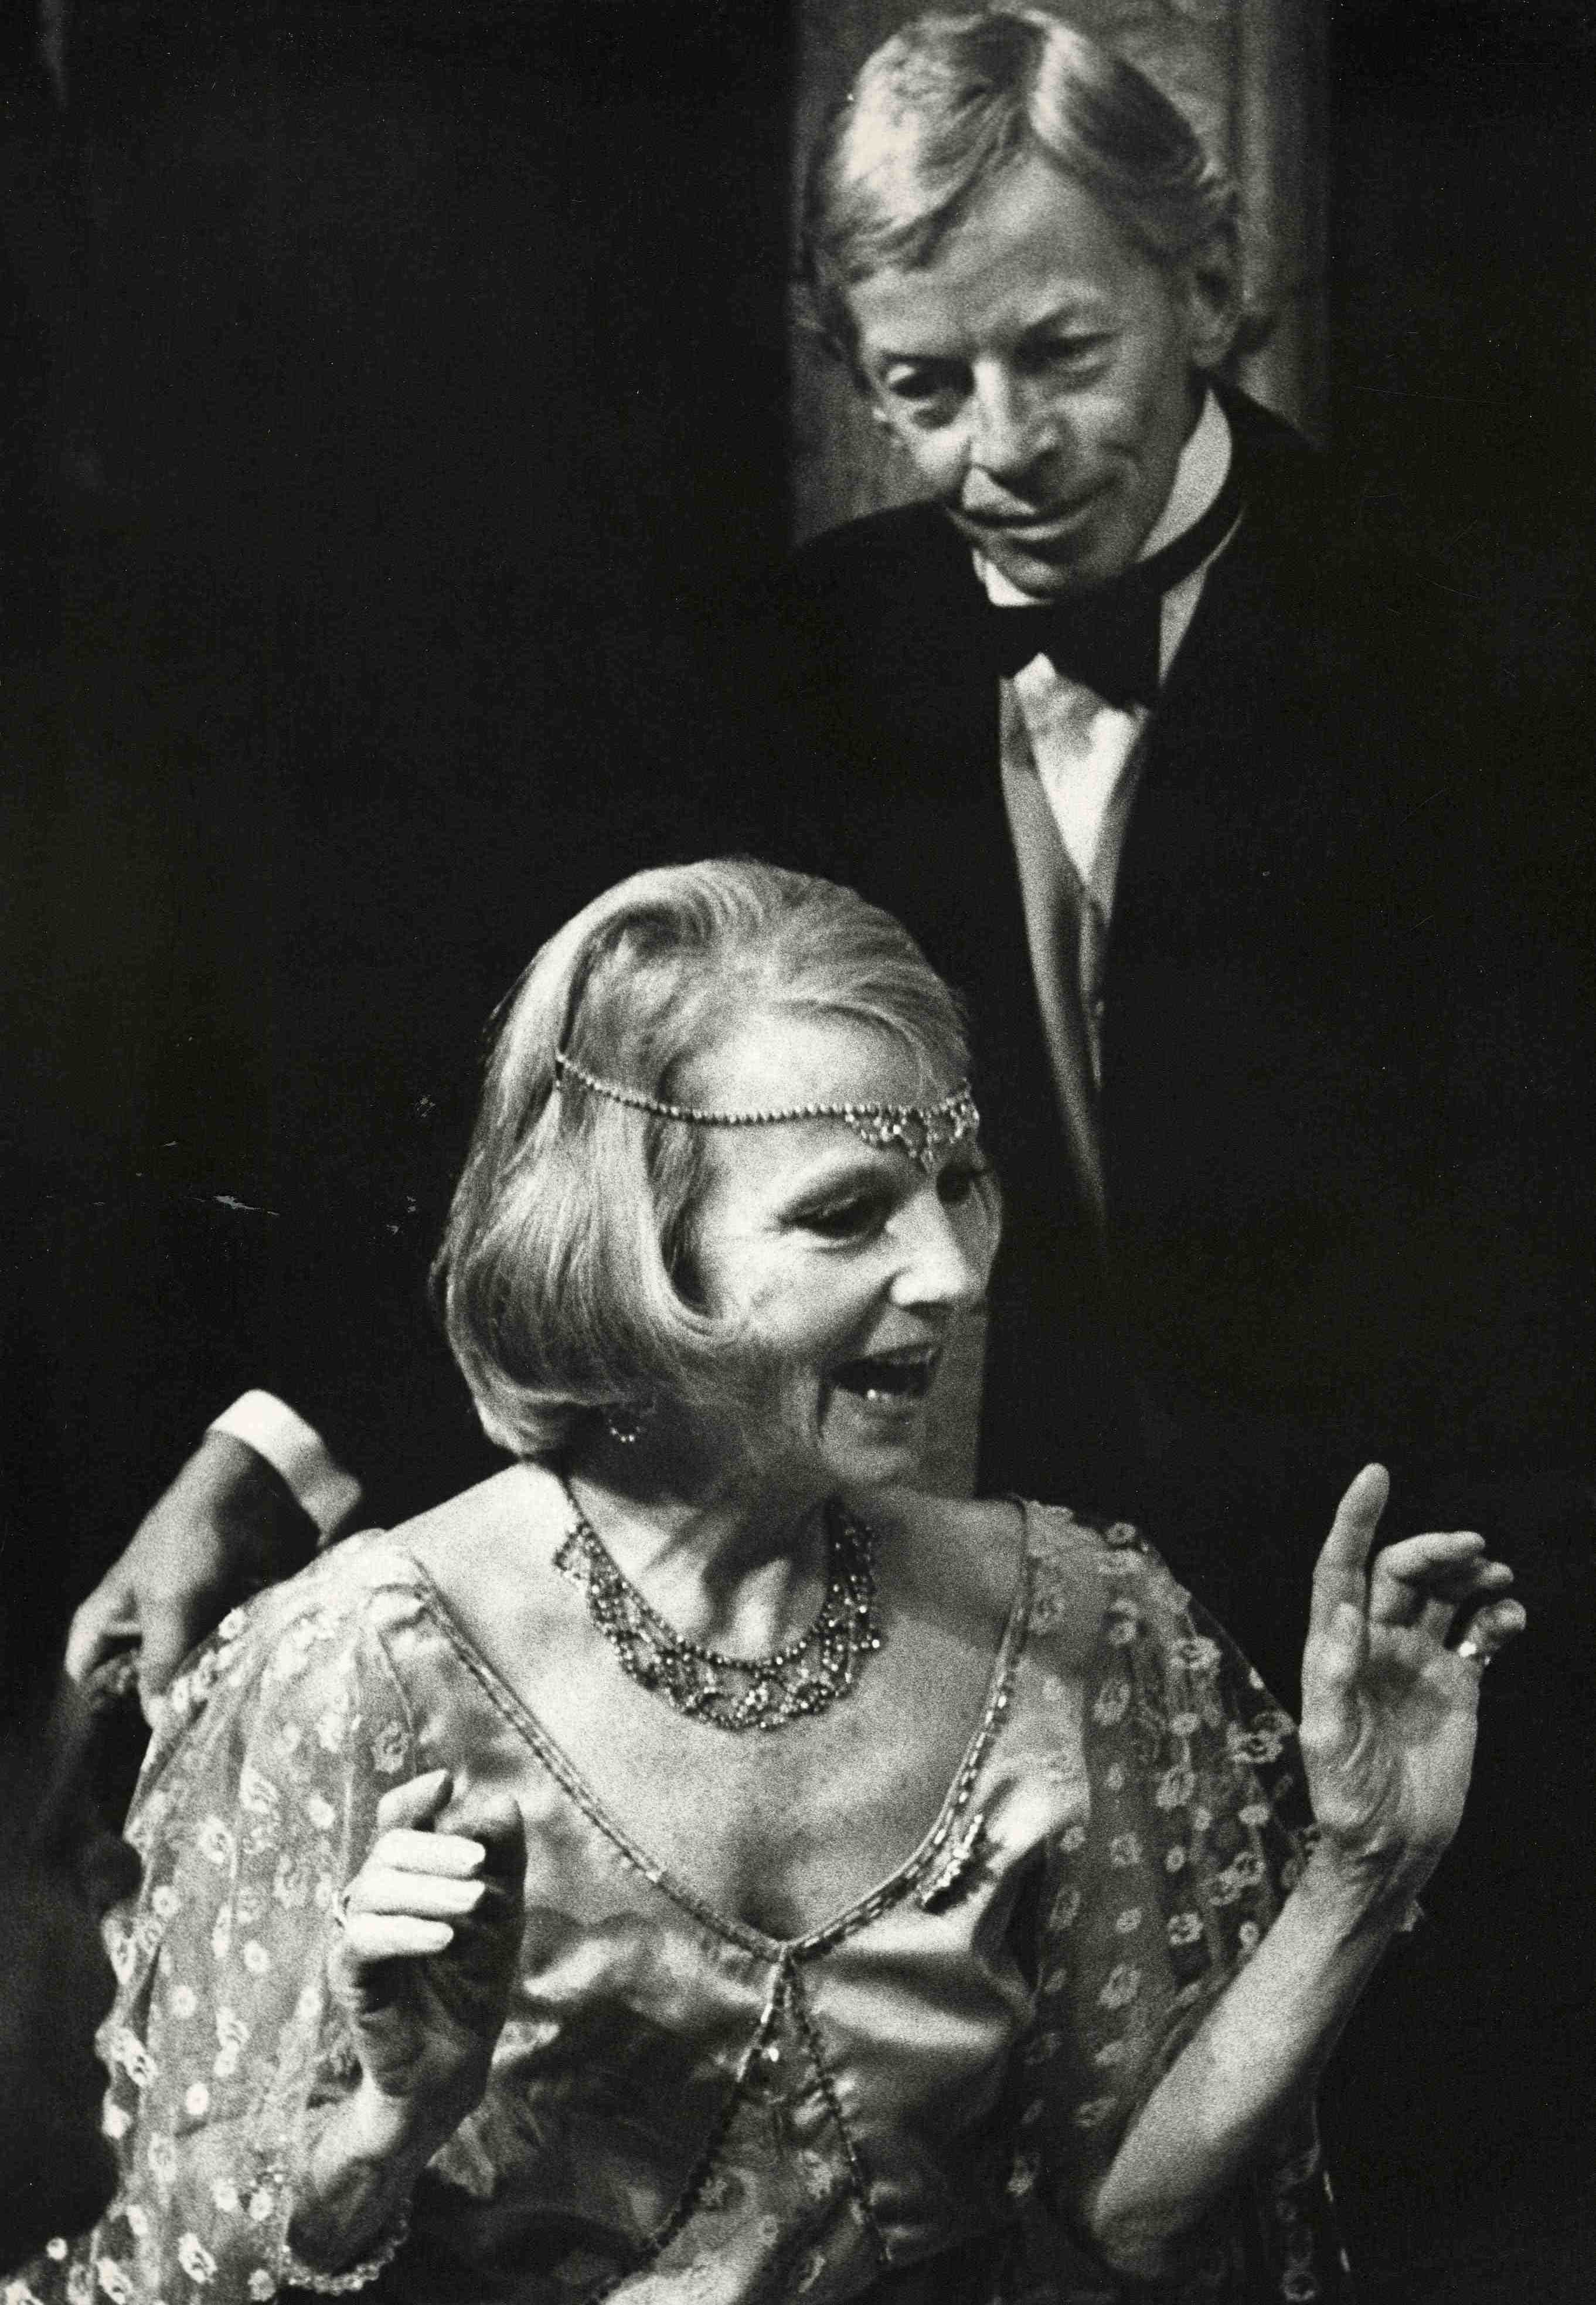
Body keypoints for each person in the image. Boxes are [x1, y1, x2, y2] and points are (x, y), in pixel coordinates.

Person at [23, 861, 1523, 2305]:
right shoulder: (358, 1664)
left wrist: (1361, 1874)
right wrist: (389, 2120)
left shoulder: (1085, 1626)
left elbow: (1133, 2232)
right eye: (846, 1213)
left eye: (959, 1184)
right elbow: (176, 2270)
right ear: (634, 1250)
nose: (953, 1274)